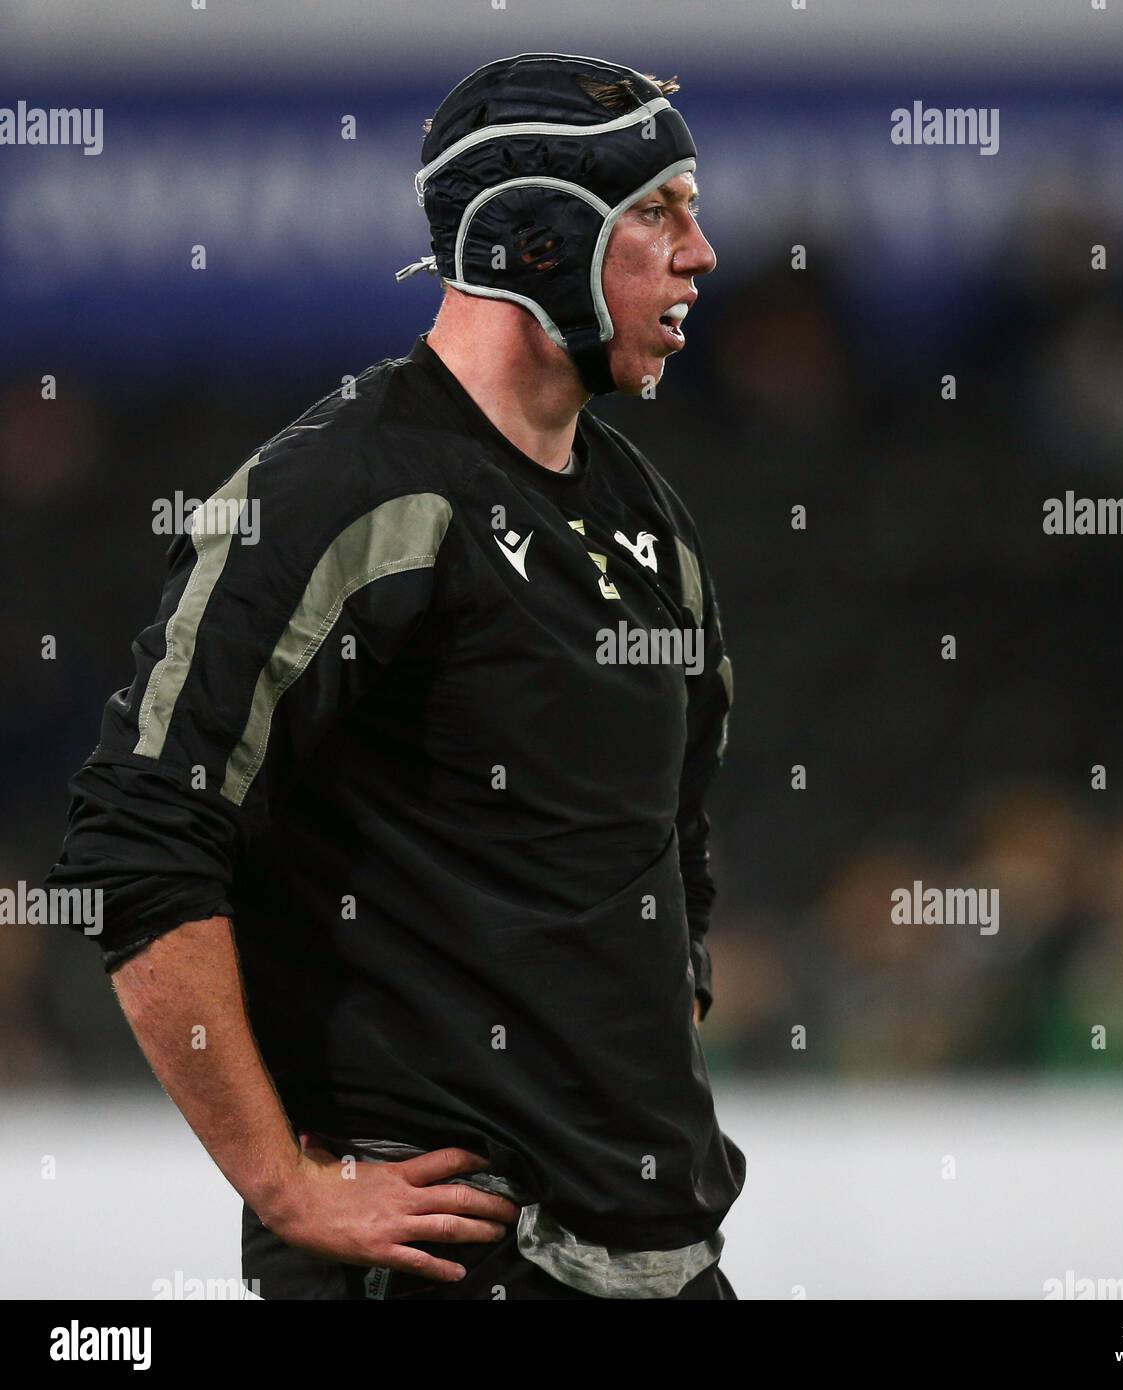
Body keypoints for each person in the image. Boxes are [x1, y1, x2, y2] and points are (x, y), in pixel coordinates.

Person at [45, 52, 744, 1300]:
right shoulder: (339, 490)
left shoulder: (649, 518)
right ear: (537, 240)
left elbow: (674, 847)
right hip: (439, 1266)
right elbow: (137, 841)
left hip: (659, 1259)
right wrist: (283, 1182)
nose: (699, 253)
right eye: (659, 209)